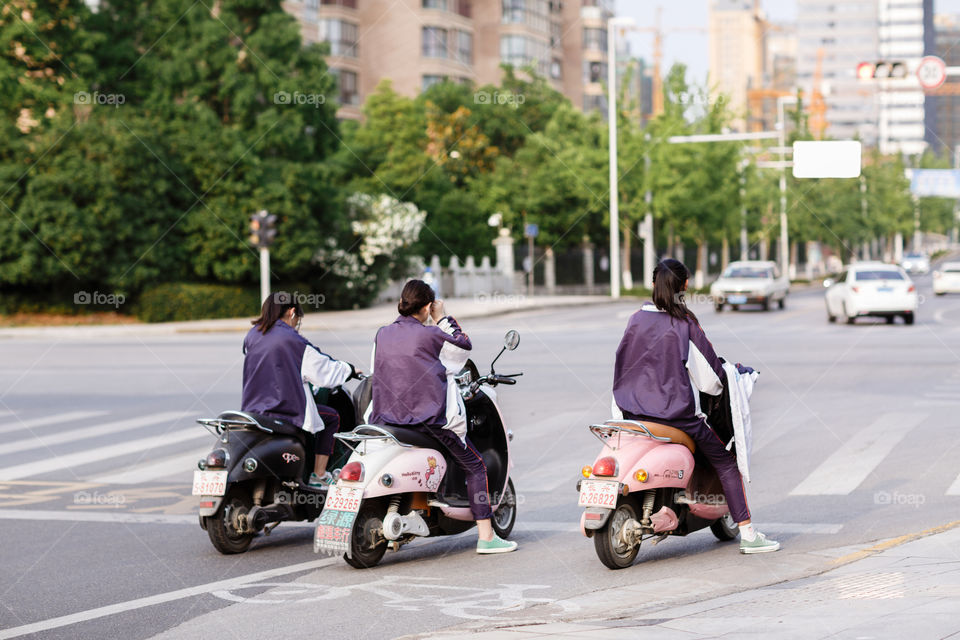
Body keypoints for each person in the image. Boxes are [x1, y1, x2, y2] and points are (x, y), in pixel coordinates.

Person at [612, 259, 780, 554]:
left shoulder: (635, 319)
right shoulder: (684, 324)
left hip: (631, 414)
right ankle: (749, 534)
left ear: (653, 285)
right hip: (676, 417)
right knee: (727, 462)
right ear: (685, 286)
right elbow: (712, 382)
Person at [369, 279, 518, 555]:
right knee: (475, 465)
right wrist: (443, 317)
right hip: (427, 420)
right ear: (426, 306)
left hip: (386, 418)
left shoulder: (383, 334)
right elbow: (462, 348)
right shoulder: (432, 336)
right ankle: (486, 536)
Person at [242, 293, 359, 487]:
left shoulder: (252, 335)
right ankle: (319, 474)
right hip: (284, 409)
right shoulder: (293, 340)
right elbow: (324, 372)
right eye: (298, 321)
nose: (296, 325)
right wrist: (349, 369)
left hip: (254, 410)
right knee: (332, 417)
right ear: (292, 312)